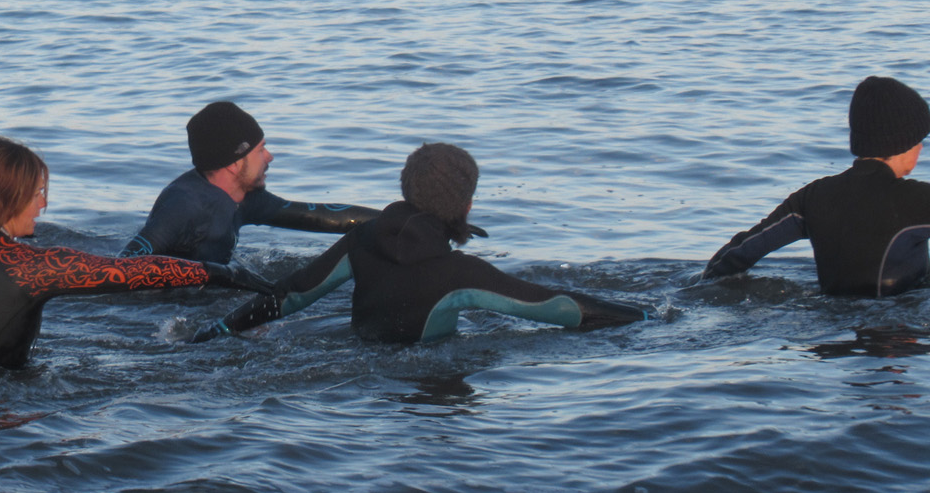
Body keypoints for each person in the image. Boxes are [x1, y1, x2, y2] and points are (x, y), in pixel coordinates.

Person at [0, 136, 273, 373]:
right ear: (14, 197)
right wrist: (223, 274)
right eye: (38, 193)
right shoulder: (36, 267)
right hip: (1, 409)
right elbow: (136, 273)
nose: (43, 204)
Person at [191, 143, 646, 344]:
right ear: (464, 205)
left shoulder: (363, 237)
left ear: (408, 190)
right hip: (428, 384)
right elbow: (560, 309)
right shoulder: (460, 274)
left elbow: (289, 296)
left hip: (365, 377)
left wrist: (214, 333)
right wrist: (649, 316)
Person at [702, 76, 930, 296]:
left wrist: (703, 283)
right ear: (904, 142)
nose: (921, 148)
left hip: (834, 327)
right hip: (897, 321)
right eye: (920, 140)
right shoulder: (919, 199)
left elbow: (743, 251)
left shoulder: (812, 196)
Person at [120, 101, 389, 264]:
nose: (270, 157)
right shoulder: (185, 205)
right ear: (234, 162)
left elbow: (315, 216)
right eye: (261, 150)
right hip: (169, 315)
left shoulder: (246, 198)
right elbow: (123, 265)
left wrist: (399, 220)